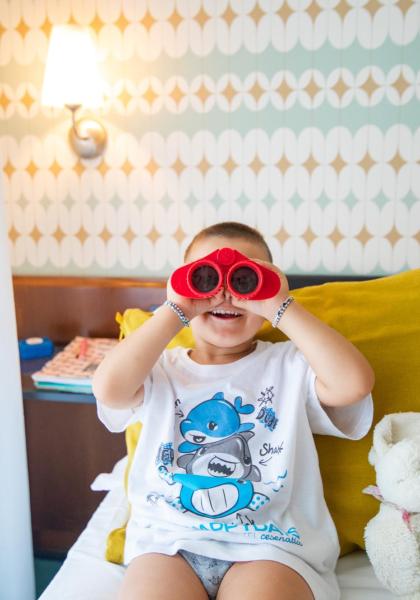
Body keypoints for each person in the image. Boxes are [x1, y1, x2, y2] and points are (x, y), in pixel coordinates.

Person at [92, 221, 374, 600]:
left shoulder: (291, 364)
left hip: (272, 548)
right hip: (169, 543)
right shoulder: (159, 369)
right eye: (205, 277)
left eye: (245, 279)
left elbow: (353, 383)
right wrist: (177, 308)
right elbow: (109, 388)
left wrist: (280, 306)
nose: (225, 294)